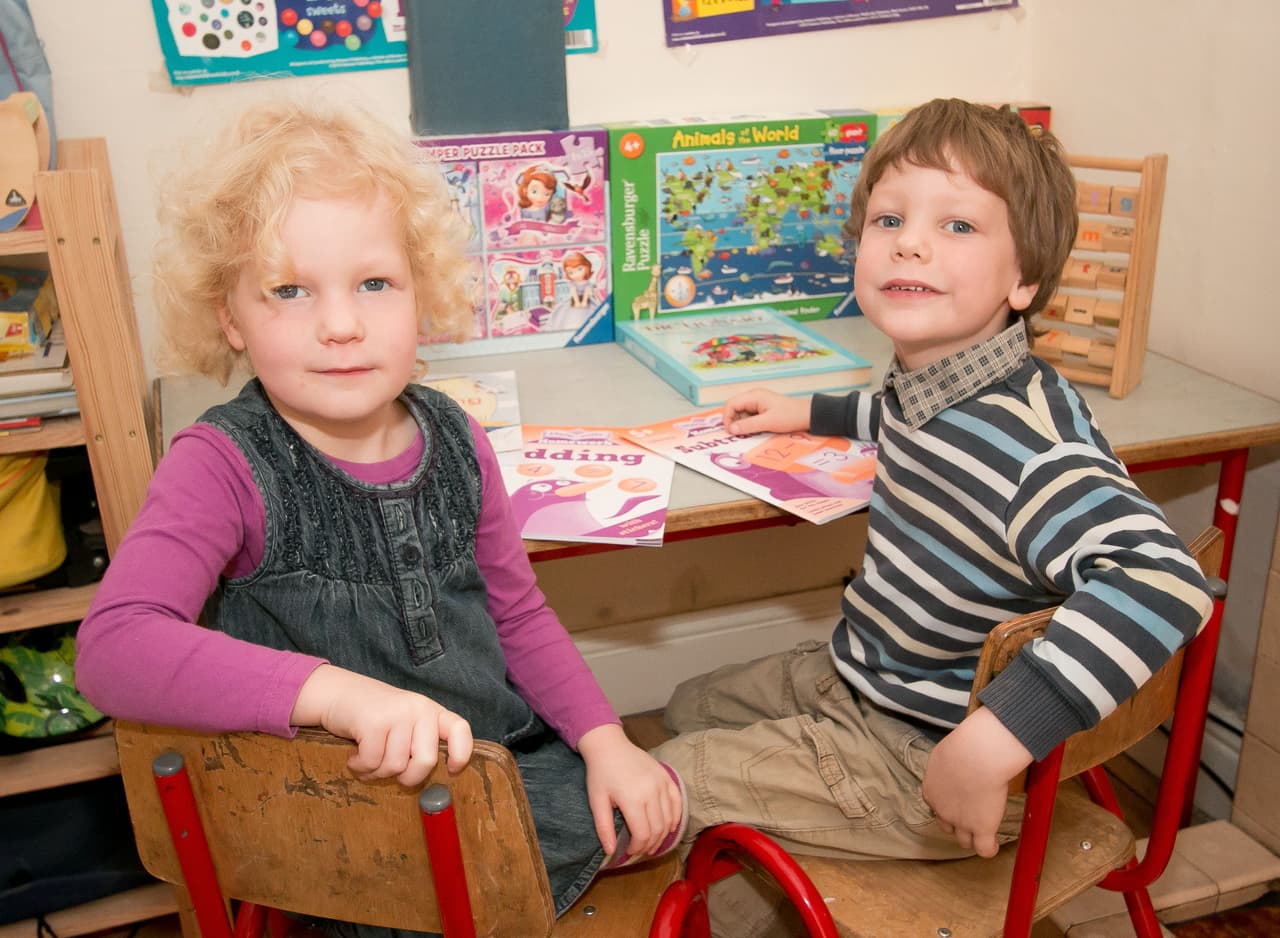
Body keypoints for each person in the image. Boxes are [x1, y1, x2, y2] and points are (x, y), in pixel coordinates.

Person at [73, 98, 684, 935]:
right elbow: (113, 650)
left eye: (374, 283)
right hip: (334, 809)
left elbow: (519, 614)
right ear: (230, 317)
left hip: (491, 770)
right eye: (289, 290)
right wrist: (332, 694)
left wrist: (605, 737)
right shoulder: (218, 464)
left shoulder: (458, 437)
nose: (340, 325)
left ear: (420, 293)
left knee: (664, 802)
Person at [650, 98, 1214, 936]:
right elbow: (900, 416)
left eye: (957, 225)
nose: (910, 241)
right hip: (867, 678)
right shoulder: (948, 381)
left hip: (927, 753)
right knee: (686, 703)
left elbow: (1167, 580)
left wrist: (995, 740)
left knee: (654, 778)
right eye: (890, 218)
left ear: (1024, 281)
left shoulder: (1029, 448)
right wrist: (807, 409)